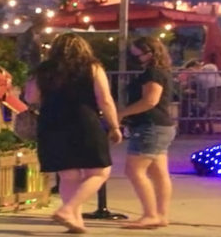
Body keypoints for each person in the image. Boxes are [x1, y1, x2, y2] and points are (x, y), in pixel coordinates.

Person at [24, 32, 121, 234]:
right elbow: (104, 99)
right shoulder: (92, 67)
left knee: (68, 175)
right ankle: (68, 210)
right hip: (84, 121)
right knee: (100, 171)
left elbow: (31, 97)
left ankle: (76, 221)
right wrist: (114, 126)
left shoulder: (43, 70)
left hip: (52, 123)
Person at [119, 35, 176, 229]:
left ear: (150, 53)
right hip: (161, 126)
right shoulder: (161, 71)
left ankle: (151, 214)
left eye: (138, 53)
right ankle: (161, 214)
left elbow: (150, 100)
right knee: (159, 173)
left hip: (150, 125)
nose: (136, 57)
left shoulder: (153, 73)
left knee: (134, 170)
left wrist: (122, 113)